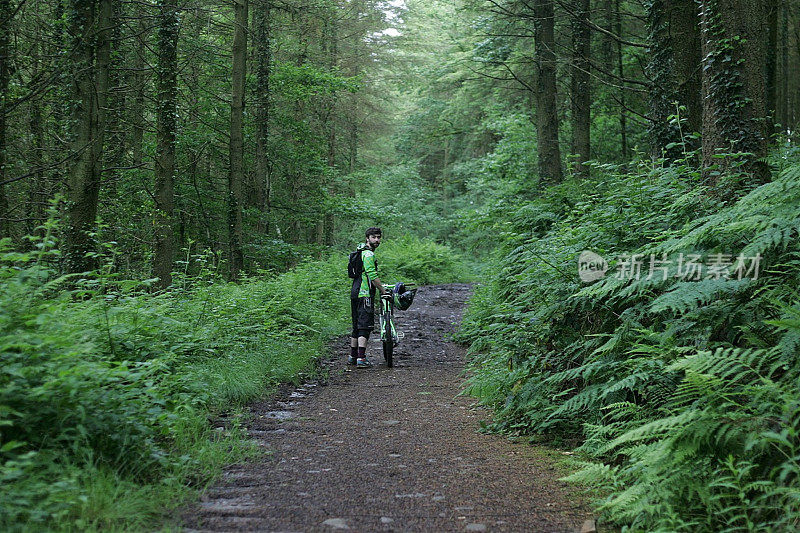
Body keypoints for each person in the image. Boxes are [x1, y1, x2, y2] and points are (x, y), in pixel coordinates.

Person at [350, 227, 387, 368]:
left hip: (355, 291)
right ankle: (361, 358)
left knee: (356, 326)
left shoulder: (359, 252)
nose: (377, 240)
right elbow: (372, 275)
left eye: (378, 237)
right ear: (367, 238)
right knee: (364, 326)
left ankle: (352, 357)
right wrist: (383, 290)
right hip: (364, 293)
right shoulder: (368, 255)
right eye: (374, 237)